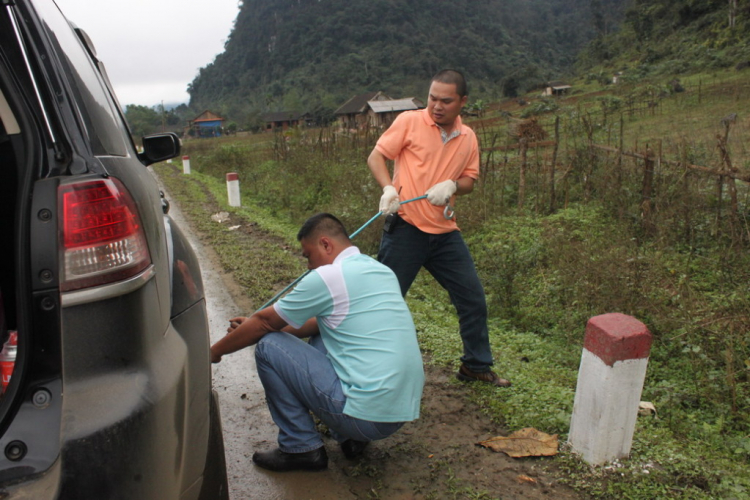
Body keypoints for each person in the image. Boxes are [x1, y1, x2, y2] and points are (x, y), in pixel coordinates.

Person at [210, 213, 424, 472]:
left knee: (268, 345)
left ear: (325, 244)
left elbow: (266, 324)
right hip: (396, 413)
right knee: (323, 329)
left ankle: (300, 448)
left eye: (308, 256)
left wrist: (213, 352)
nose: (309, 266)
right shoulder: (380, 270)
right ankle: (351, 439)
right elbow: (311, 324)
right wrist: (252, 325)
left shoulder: (330, 276)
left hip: (365, 416)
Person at [367, 69, 511, 388]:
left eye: (446, 100)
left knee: (472, 298)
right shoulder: (409, 121)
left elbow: (470, 181)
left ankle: (475, 365)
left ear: (462, 102)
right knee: (384, 302)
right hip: (406, 227)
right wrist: (388, 188)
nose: (436, 106)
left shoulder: (468, 137)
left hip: (445, 233)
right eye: (432, 98)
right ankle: (366, 368)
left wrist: (452, 186)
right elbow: (376, 157)